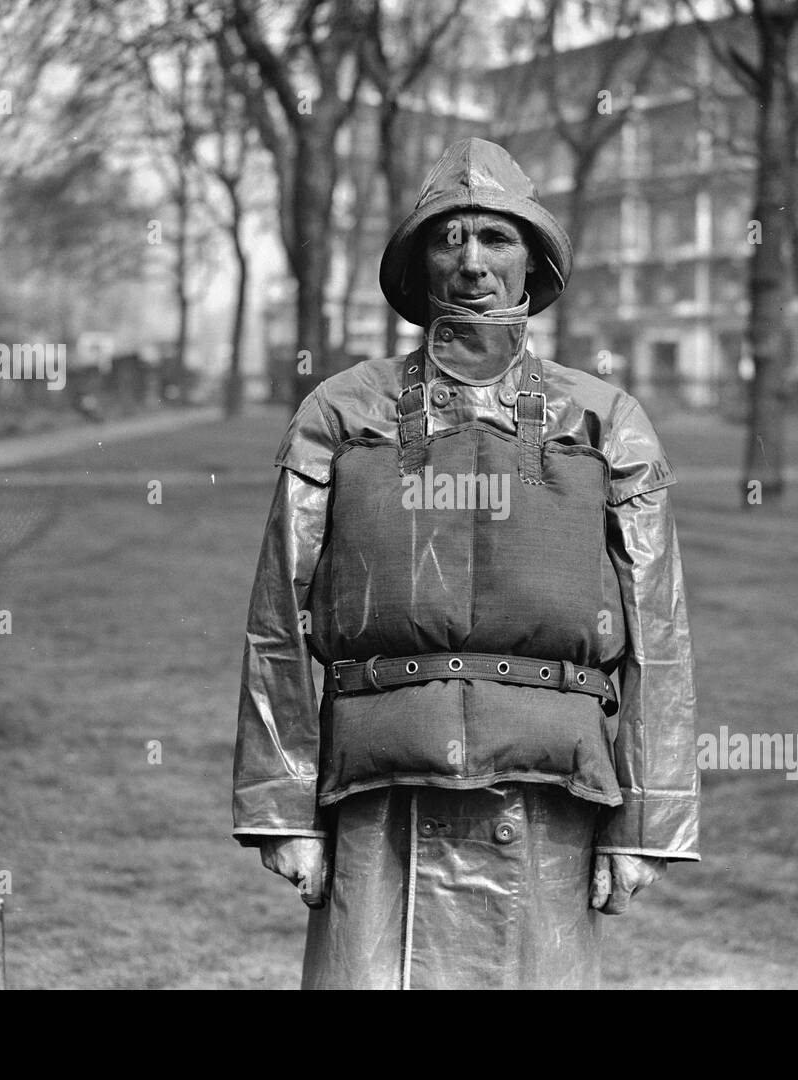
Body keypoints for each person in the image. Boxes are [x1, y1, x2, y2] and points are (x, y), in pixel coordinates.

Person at [231, 138, 700, 990]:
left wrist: (648, 818)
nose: (472, 264)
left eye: (497, 239)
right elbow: (278, 620)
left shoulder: (604, 419)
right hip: (380, 793)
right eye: (450, 239)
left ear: (534, 264)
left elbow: (657, 630)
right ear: (417, 263)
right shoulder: (343, 411)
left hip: (547, 789)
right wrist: (280, 806)